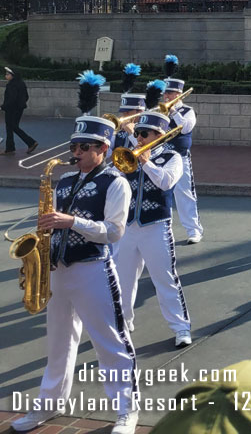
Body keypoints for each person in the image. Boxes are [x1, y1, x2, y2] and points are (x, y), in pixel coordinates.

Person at [11, 102, 138, 434]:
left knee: (110, 342)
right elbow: (52, 226)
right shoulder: (64, 181)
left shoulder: (116, 182)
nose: (76, 151)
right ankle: (48, 406)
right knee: (58, 344)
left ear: (103, 148)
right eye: (73, 146)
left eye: (84, 146)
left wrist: (73, 221)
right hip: (58, 270)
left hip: (93, 269)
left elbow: (114, 231)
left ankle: (127, 410)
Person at [114, 109, 192, 346]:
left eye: (144, 133)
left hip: (156, 226)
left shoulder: (172, 157)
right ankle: (123, 324)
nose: (138, 138)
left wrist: (147, 162)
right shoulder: (129, 156)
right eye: (137, 133)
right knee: (123, 280)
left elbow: (166, 182)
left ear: (159, 135)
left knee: (165, 279)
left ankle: (181, 328)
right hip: (128, 227)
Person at [162, 56, 204, 243]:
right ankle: (165, 230)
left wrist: (173, 112)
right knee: (162, 194)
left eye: (170, 93)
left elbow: (185, 128)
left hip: (179, 157)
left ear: (179, 93)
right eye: (166, 93)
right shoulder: (160, 110)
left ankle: (194, 230)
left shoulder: (187, 111)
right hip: (161, 157)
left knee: (185, 193)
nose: (167, 96)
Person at [3, 65, 38, 156]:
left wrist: (3, 106)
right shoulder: (21, 83)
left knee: (13, 127)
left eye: (7, 74)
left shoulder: (12, 85)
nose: (5, 76)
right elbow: (26, 96)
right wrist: (20, 105)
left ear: (12, 75)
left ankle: (31, 142)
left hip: (11, 110)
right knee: (10, 128)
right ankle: (9, 148)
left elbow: (11, 99)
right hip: (18, 109)